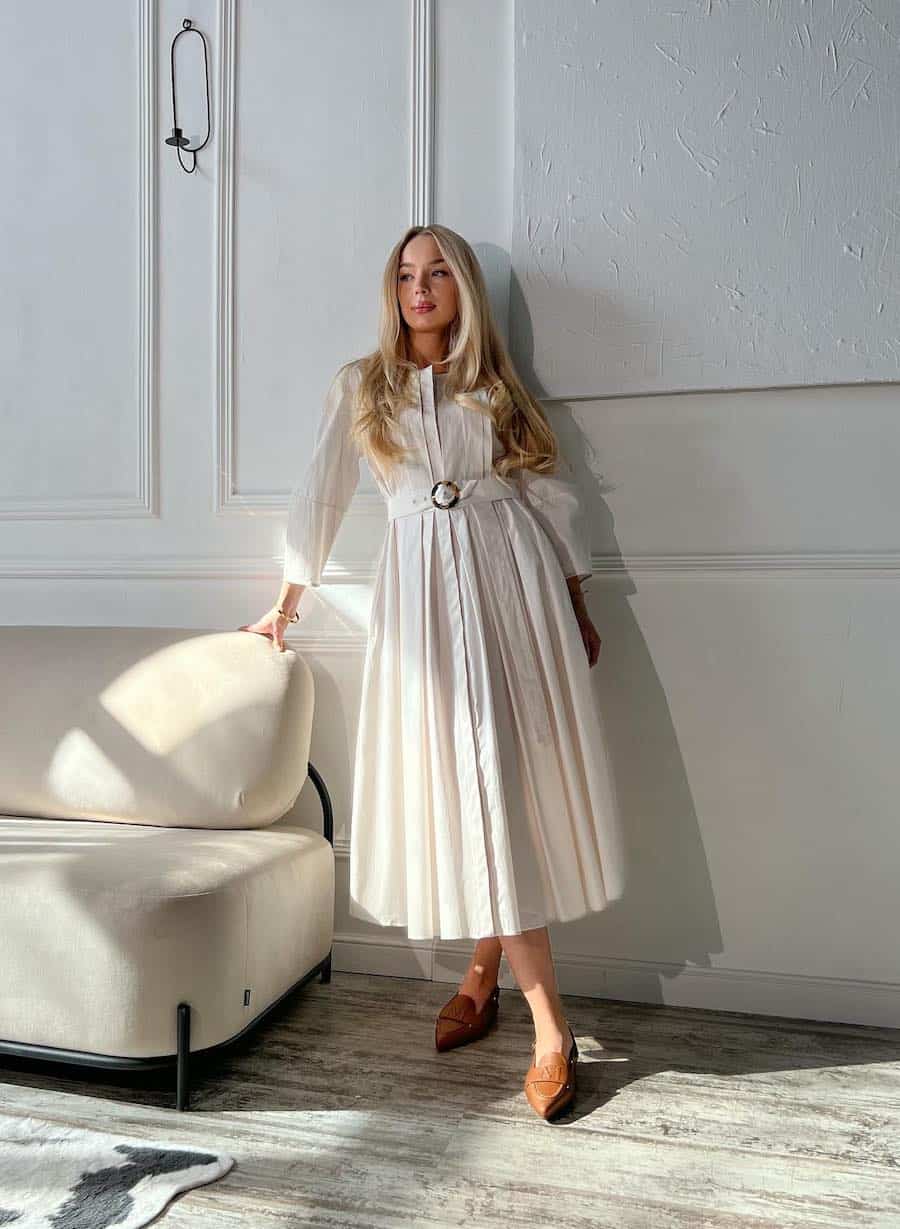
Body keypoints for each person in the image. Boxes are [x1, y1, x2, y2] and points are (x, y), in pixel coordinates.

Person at [242, 224, 625, 1120]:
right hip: (420, 595)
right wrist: (288, 600)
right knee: (465, 784)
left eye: (438, 271)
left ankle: (535, 1013)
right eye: (407, 275)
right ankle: (506, 983)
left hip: (509, 581)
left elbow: (548, 487)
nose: (421, 288)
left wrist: (575, 596)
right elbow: (322, 489)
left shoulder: (494, 384)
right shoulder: (361, 385)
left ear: (464, 287)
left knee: (504, 779)